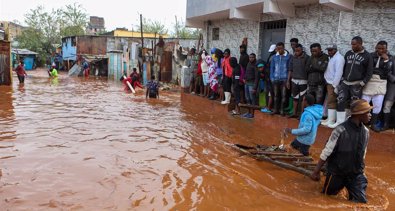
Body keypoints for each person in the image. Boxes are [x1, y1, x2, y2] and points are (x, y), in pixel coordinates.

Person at [310, 99, 372, 203]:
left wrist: (361, 170)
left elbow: (363, 153)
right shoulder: (340, 130)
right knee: (327, 198)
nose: (370, 115)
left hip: (355, 173)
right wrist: (316, 171)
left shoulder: (366, 132)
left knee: (361, 202)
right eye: (367, 112)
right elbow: (327, 151)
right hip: (337, 173)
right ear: (359, 114)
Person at [328, 36, 373, 128]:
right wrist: (341, 80)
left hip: (356, 84)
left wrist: (362, 83)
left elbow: (369, 72)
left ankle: (350, 123)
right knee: (340, 101)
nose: (352, 46)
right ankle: (340, 122)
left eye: (354, 44)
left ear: (360, 44)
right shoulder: (348, 53)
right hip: (345, 83)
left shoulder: (367, 56)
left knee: (354, 104)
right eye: (351, 44)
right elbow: (344, 68)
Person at [361, 41, 392, 132]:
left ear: (386, 48)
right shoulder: (370, 55)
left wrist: (386, 61)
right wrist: (377, 71)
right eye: (379, 48)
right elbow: (367, 69)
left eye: (383, 48)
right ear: (375, 47)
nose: (381, 50)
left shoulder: (390, 58)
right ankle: (361, 123)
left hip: (381, 83)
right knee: (364, 103)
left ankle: (373, 124)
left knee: (377, 105)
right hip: (369, 82)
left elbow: (388, 73)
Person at [321, 44, 345, 127]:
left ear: (335, 50)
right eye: (328, 50)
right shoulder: (331, 57)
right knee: (329, 101)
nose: (329, 52)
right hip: (329, 83)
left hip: (333, 83)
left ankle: (331, 121)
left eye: (331, 50)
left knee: (332, 101)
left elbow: (339, 72)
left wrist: (335, 85)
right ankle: (329, 119)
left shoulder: (339, 58)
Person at [287, 44, 310, 118]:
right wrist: (288, 81)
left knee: (303, 98)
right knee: (295, 97)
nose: (296, 52)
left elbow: (309, 71)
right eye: (295, 51)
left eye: (298, 51)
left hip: (303, 81)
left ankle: (301, 114)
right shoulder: (293, 58)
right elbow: (290, 70)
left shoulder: (307, 58)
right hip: (294, 80)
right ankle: (294, 113)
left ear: (302, 50)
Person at [270, 42, 291, 115]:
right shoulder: (274, 57)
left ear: (284, 47)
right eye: (278, 49)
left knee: (284, 95)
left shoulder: (288, 56)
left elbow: (289, 69)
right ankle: (276, 109)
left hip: (284, 79)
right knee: (276, 95)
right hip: (276, 79)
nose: (279, 50)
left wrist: (288, 80)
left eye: (281, 48)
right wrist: (272, 78)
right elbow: (272, 68)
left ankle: (282, 110)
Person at [261, 44, 276, 113]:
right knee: (268, 93)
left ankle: (270, 107)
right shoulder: (271, 56)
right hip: (268, 77)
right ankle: (268, 106)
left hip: (272, 79)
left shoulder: (274, 57)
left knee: (271, 93)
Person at [382, 52, 395, 131]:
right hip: (392, 87)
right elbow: (387, 72)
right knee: (387, 106)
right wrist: (393, 79)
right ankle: (386, 124)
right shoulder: (391, 59)